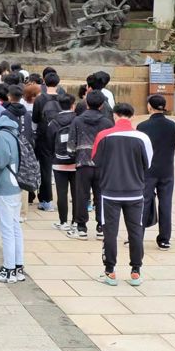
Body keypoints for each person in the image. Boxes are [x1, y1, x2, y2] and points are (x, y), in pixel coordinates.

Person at [93, 104, 153, 286]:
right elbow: (148, 163)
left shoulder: (103, 136)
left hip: (110, 192)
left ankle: (110, 271)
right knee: (135, 231)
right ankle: (136, 271)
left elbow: (95, 160)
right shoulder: (142, 137)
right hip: (135, 192)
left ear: (114, 116)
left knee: (110, 232)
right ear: (132, 116)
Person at [66, 91, 113, 240]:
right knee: (101, 196)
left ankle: (81, 227)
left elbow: (70, 146)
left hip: (82, 163)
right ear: (102, 105)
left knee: (81, 195)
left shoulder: (77, 120)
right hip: (101, 165)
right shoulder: (107, 123)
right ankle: (101, 227)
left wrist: (75, 156)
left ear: (86, 103)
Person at [0, 108, 25, 283]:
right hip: (15, 185)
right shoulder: (13, 133)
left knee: (6, 229)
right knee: (15, 227)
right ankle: (18, 267)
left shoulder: (1, 136)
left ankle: (8, 270)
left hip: (5, 186)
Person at [137, 95, 175, 250]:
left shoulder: (143, 126)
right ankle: (164, 239)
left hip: (148, 170)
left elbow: (140, 149)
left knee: (143, 203)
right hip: (167, 170)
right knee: (166, 204)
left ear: (149, 106)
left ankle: (137, 236)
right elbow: (173, 145)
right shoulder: (173, 126)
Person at [46, 94, 77, 231]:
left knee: (61, 193)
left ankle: (63, 222)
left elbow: (49, 143)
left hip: (59, 161)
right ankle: (76, 222)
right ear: (73, 105)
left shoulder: (53, 123)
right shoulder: (78, 120)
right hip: (76, 162)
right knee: (76, 194)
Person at [32, 72, 61, 211]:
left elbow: (35, 120)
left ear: (44, 81)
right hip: (60, 137)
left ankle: (46, 200)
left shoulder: (40, 99)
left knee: (45, 169)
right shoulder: (63, 97)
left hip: (44, 137)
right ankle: (61, 200)